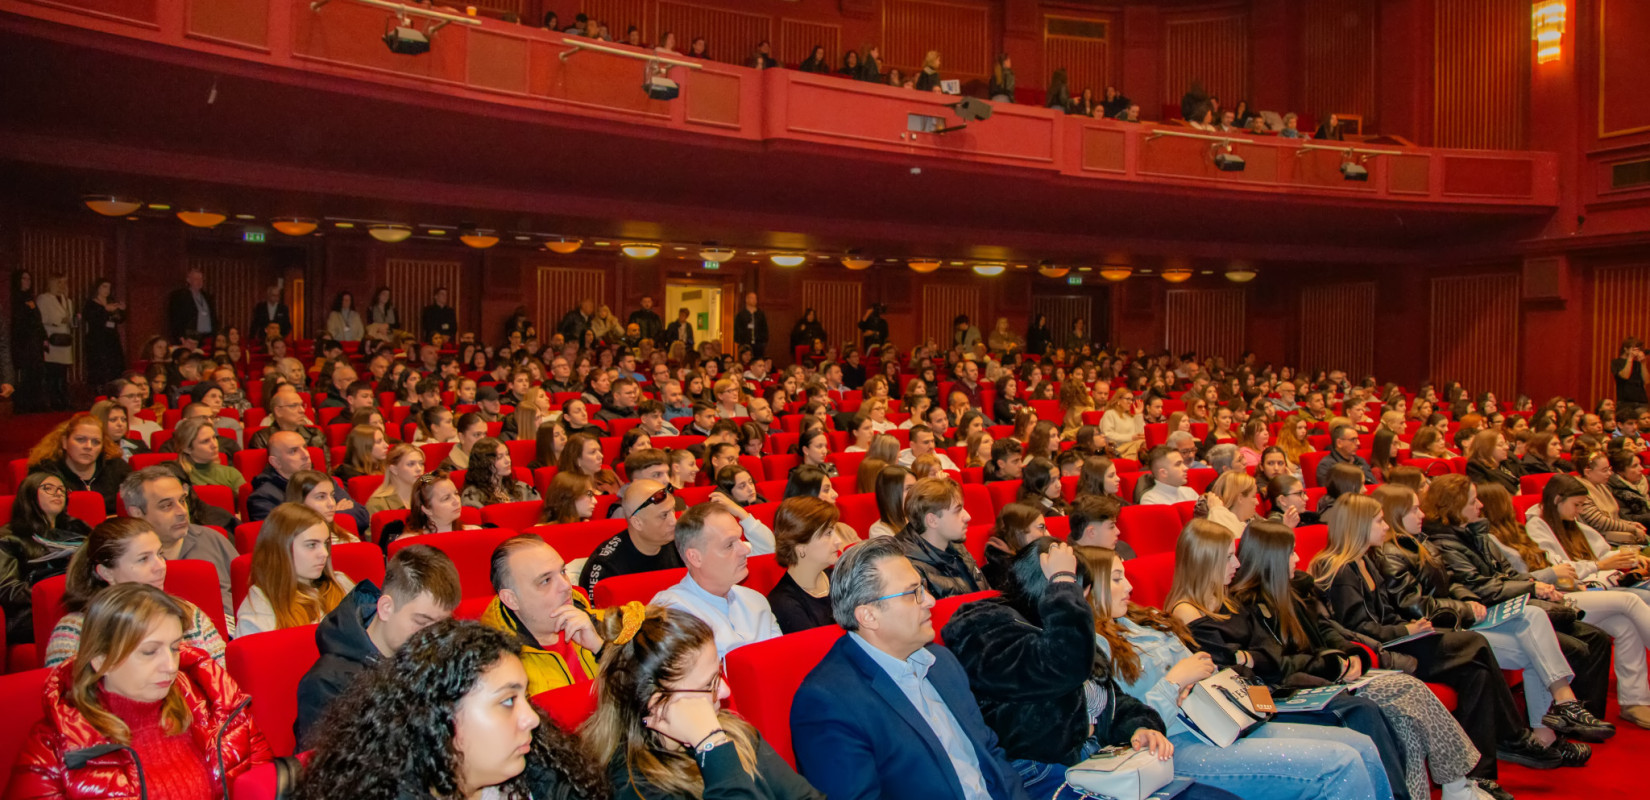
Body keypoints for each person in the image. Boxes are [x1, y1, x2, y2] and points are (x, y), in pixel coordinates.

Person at [1081, 546, 1404, 800]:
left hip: (1220, 720)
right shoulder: (1091, 644)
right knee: (1339, 763)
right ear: (1088, 589)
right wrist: (1174, 681)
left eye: (1125, 576)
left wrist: (1198, 673)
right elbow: (1124, 721)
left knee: (1360, 743)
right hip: (1175, 745)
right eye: (1117, 579)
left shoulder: (1146, 620)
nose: (1130, 586)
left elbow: (1209, 667)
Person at [790, 536, 1030, 799]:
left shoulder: (941, 661)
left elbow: (991, 754)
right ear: (868, 616)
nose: (930, 600)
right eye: (912, 593)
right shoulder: (827, 703)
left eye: (923, 588)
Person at [292, 619, 608, 800]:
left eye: (525, 697)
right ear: (440, 718)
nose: (531, 718)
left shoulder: (543, 778)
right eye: (507, 701)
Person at [12, 583, 269, 798]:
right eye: (149, 652)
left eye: (175, 648)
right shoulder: (54, 746)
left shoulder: (220, 708)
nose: (170, 666)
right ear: (101, 660)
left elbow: (268, 787)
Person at [583, 605, 820, 800]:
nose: (726, 691)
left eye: (719, 674)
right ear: (659, 705)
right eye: (709, 684)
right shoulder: (633, 787)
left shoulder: (731, 731)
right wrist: (712, 747)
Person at [294, 544, 460, 747]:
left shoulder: (437, 659)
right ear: (386, 608)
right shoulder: (328, 684)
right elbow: (329, 772)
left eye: (441, 625)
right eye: (422, 622)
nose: (432, 636)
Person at [45, 518, 227, 667]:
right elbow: (66, 703)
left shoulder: (188, 613)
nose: (160, 566)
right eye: (143, 559)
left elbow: (226, 682)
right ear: (107, 572)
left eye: (160, 554)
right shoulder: (75, 630)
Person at [652, 503, 781, 658]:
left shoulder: (756, 601)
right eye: (729, 545)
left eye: (740, 539)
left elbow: (781, 664)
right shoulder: (671, 612)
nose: (745, 549)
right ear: (695, 557)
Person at [121, 466, 237, 613]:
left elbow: (250, 592)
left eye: (182, 500)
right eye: (167, 505)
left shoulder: (212, 539)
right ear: (137, 513)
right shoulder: (124, 559)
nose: (182, 511)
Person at [236, 503, 355, 638]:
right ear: (280, 550)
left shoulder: (340, 584)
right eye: (311, 545)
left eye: (325, 543)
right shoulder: (260, 610)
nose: (324, 553)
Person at [0, 472, 91, 643]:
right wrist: (57, 593)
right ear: (29, 494)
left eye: (62, 490)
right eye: (48, 488)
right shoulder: (8, 538)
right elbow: (7, 589)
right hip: (33, 615)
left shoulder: (78, 529)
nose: (57, 493)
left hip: (82, 602)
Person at [579, 480, 683, 599]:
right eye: (664, 515)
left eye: (673, 510)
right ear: (637, 523)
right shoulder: (606, 567)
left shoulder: (682, 544)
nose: (674, 521)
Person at [248, 431, 367, 530]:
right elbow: (284, 534)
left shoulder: (324, 481)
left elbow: (362, 517)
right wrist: (333, 513)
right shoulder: (263, 497)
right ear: (276, 462)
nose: (306, 455)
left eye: (304, 447)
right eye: (293, 451)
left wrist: (311, 518)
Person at [894, 477, 986, 599]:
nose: (967, 516)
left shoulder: (955, 546)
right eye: (957, 510)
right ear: (932, 520)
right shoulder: (908, 568)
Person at [28, 412, 132, 514]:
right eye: (81, 440)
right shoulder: (45, 472)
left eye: (96, 442)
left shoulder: (117, 468)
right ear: (64, 442)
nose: (88, 446)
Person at [460, 438, 541, 507]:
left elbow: (539, 511)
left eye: (507, 454)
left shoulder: (521, 487)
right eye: (500, 457)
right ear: (484, 463)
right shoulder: (472, 495)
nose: (508, 460)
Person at [81, 278, 125, 388]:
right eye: (104, 287)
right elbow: (90, 318)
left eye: (109, 287)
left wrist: (122, 310)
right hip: (97, 340)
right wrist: (105, 310)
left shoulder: (111, 301)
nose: (107, 290)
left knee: (115, 364)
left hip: (111, 338)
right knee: (99, 366)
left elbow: (119, 320)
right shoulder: (91, 303)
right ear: (97, 288)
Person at [367, 444, 425, 515]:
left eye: (421, 463)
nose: (419, 469)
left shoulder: (427, 498)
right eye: (411, 464)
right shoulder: (378, 505)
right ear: (394, 469)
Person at [164, 266, 217, 341]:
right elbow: (175, 319)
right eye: (196, 279)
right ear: (188, 280)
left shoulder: (207, 297)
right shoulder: (179, 296)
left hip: (207, 337)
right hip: (188, 337)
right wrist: (180, 337)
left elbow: (213, 317)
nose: (199, 282)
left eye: (201, 279)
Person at [1464, 430, 1521, 495]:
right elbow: (1488, 494)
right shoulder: (1475, 467)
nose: (1506, 447)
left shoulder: (1508, 460)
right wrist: (1517, 494)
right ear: (1486, 448)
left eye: (1505, 443)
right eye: (1500, 445)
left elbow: (1526, 477)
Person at [1615, 336, 1649, 404]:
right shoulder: (1616, 362)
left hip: (1641, 401)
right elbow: (1625, 376)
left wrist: (1643, 362)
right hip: (1625, 402)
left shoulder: (1638, 364)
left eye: (1638, 349)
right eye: (1633, 349)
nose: (1636, 351)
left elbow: (1647, 381)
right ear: (1626, 349)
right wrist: (1630, 357)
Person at [734, 292, 768, 358]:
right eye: (752, 298)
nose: (754, 300)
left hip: (758, 345)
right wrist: (741, 341)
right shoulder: (741, 315)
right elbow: (737, 329)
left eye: (755, 298)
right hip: (745, 344)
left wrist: (763, 341)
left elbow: (764, 329)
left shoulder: (760, 314)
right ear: (747, 300)